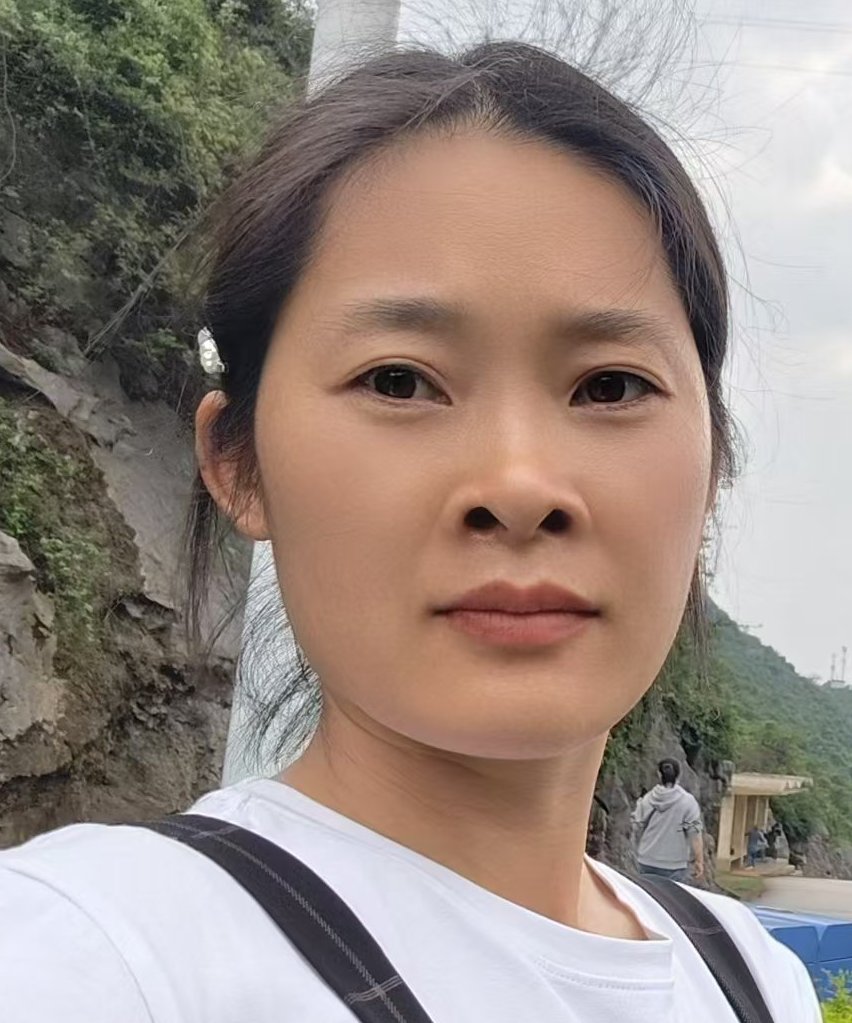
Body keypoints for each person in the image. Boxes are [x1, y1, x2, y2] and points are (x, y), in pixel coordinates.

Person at [0, 42, 820, 1022]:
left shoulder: (750, 976)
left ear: (714, 466)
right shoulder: (100, 957)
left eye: (610, 386)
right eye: (398, 379)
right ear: (238, 463)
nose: (519, 486)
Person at [632, 758, 705, 883]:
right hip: (674, 864)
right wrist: (699, 861)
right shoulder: (687, 801)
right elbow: (695, 834)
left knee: (647, 894)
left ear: (659, 774)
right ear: (679, 775)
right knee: (669, 895)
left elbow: (636, 826)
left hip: (646, 860)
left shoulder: (647, 799)